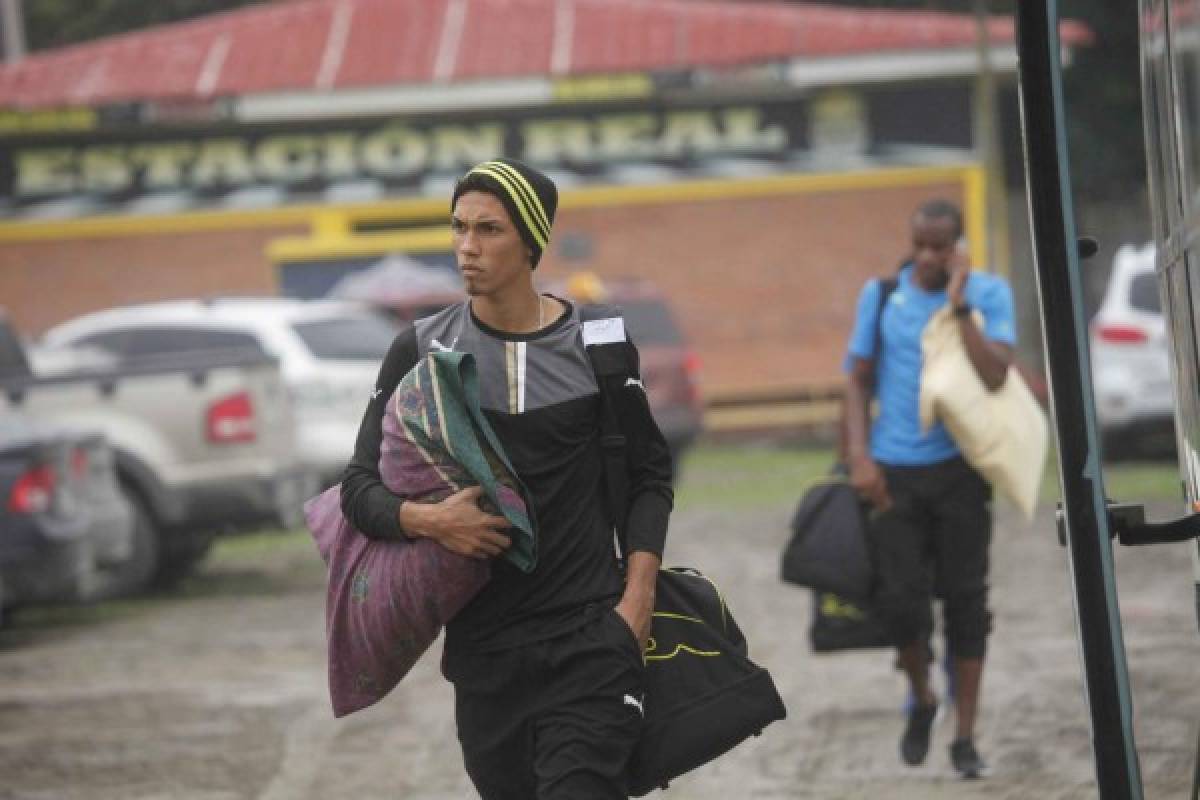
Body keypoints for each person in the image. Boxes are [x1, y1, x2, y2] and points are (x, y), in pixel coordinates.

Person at [339, 157, 674, 799]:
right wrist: (432, 520)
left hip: (590, 640)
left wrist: (637, 599)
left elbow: (649, 475)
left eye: (488, 230)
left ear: (530, 240)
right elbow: (358, 488)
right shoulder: (421, 350)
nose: (467, 247)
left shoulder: (598, 340)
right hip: (485, 658)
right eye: (459, 227)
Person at [842, 199, 1015, 780]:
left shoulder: (987, 295)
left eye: (940, 247)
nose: (927, 256)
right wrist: (860, 457)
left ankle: (965, 738)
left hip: (962, 472)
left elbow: (996, 374)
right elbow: (856, 378)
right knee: (901, 605)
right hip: (894, 475)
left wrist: (960, 304)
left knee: (967, 604)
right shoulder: (883, 295)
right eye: (920, 243)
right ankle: (921, 696)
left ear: (958, 247)